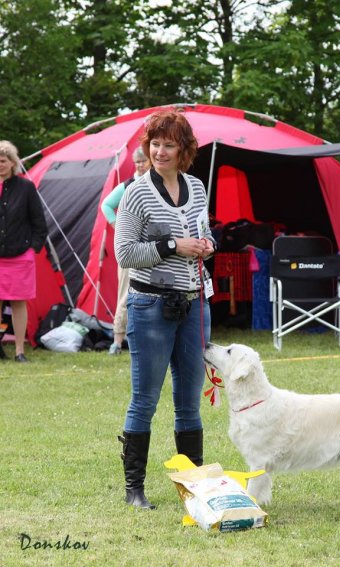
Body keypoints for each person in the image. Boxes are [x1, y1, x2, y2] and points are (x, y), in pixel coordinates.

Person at [114, 110, 216, 509]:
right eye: (154, 144)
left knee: (189, 401)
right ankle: (134, 489)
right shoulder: (137, 193)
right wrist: (173, 246)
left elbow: (204, 233)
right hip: (150, 306)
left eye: (168, 145)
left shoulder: (196, 186)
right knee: (145, 400)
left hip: (194, 306)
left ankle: (193, 485)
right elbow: (125, 253)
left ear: (184, 149)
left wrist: (208, 245)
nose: (159, 151)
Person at [0, 140, 47, 362]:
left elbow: (39, 223)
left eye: (3, 161)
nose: (0, 165)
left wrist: (32, 249)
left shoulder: (26, 187)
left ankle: (19, 351)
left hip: (20, 256)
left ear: (12, 163)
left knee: (19, 303)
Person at [100, 147, 150, 355]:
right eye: (137, 162)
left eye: (143, 161)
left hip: (151, 247)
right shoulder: (127, 185)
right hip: (130, 248)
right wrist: (117, 224)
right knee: (125, 294)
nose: (140, 165)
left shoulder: (158, 183)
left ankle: (145, 338)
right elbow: (106, 206)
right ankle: (117, 340)